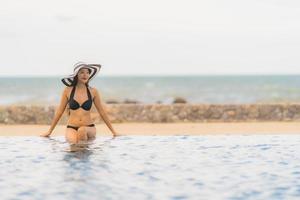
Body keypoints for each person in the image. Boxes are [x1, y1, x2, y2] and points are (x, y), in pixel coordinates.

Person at [40, 62, 117, 143]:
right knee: (73, 143)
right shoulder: (67, 90)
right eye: (82, 72)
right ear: (76, 74)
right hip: (71, 127)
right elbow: (59, 112)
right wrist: (49, 131)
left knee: (82, 131)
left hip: (89, 127)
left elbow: (102, 112)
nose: (85, 75)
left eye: (87, 73)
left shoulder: (93, 91)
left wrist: (113, 132)